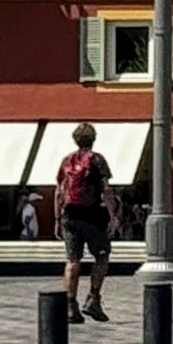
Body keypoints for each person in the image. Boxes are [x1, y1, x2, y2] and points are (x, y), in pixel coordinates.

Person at [53, 123, 116, 321]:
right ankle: (93, 298)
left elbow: (59, 192)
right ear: (93, 139)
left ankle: (70, 306)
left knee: (72, 260)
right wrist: (113, 215)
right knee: (102, 256)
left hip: (69, 216)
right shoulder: (97, 160)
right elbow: (106, 190)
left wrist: (57, 218)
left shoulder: (66, 161)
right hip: (92, 216)